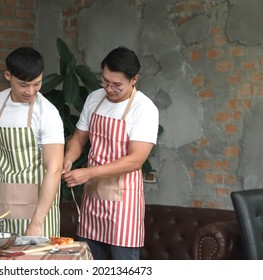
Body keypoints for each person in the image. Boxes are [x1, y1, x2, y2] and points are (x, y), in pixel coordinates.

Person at [62, 46, 159, 260]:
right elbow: (79, 138)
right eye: (105, 81)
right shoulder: (94, 98)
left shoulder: (144, 109)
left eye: (117, 85)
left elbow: (135, 160)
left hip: (124, 204)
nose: (109, 89)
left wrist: (88, 173)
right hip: (93, 201)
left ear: (134, 79)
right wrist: (69, 157)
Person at [0, 47, 64, 238]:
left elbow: (54, 169)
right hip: (5, 204)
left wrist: (37, 223)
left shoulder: (47, 113)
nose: (30, 91)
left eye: (37, 84)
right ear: (8, 76)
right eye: (23, 85)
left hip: (38, 212)